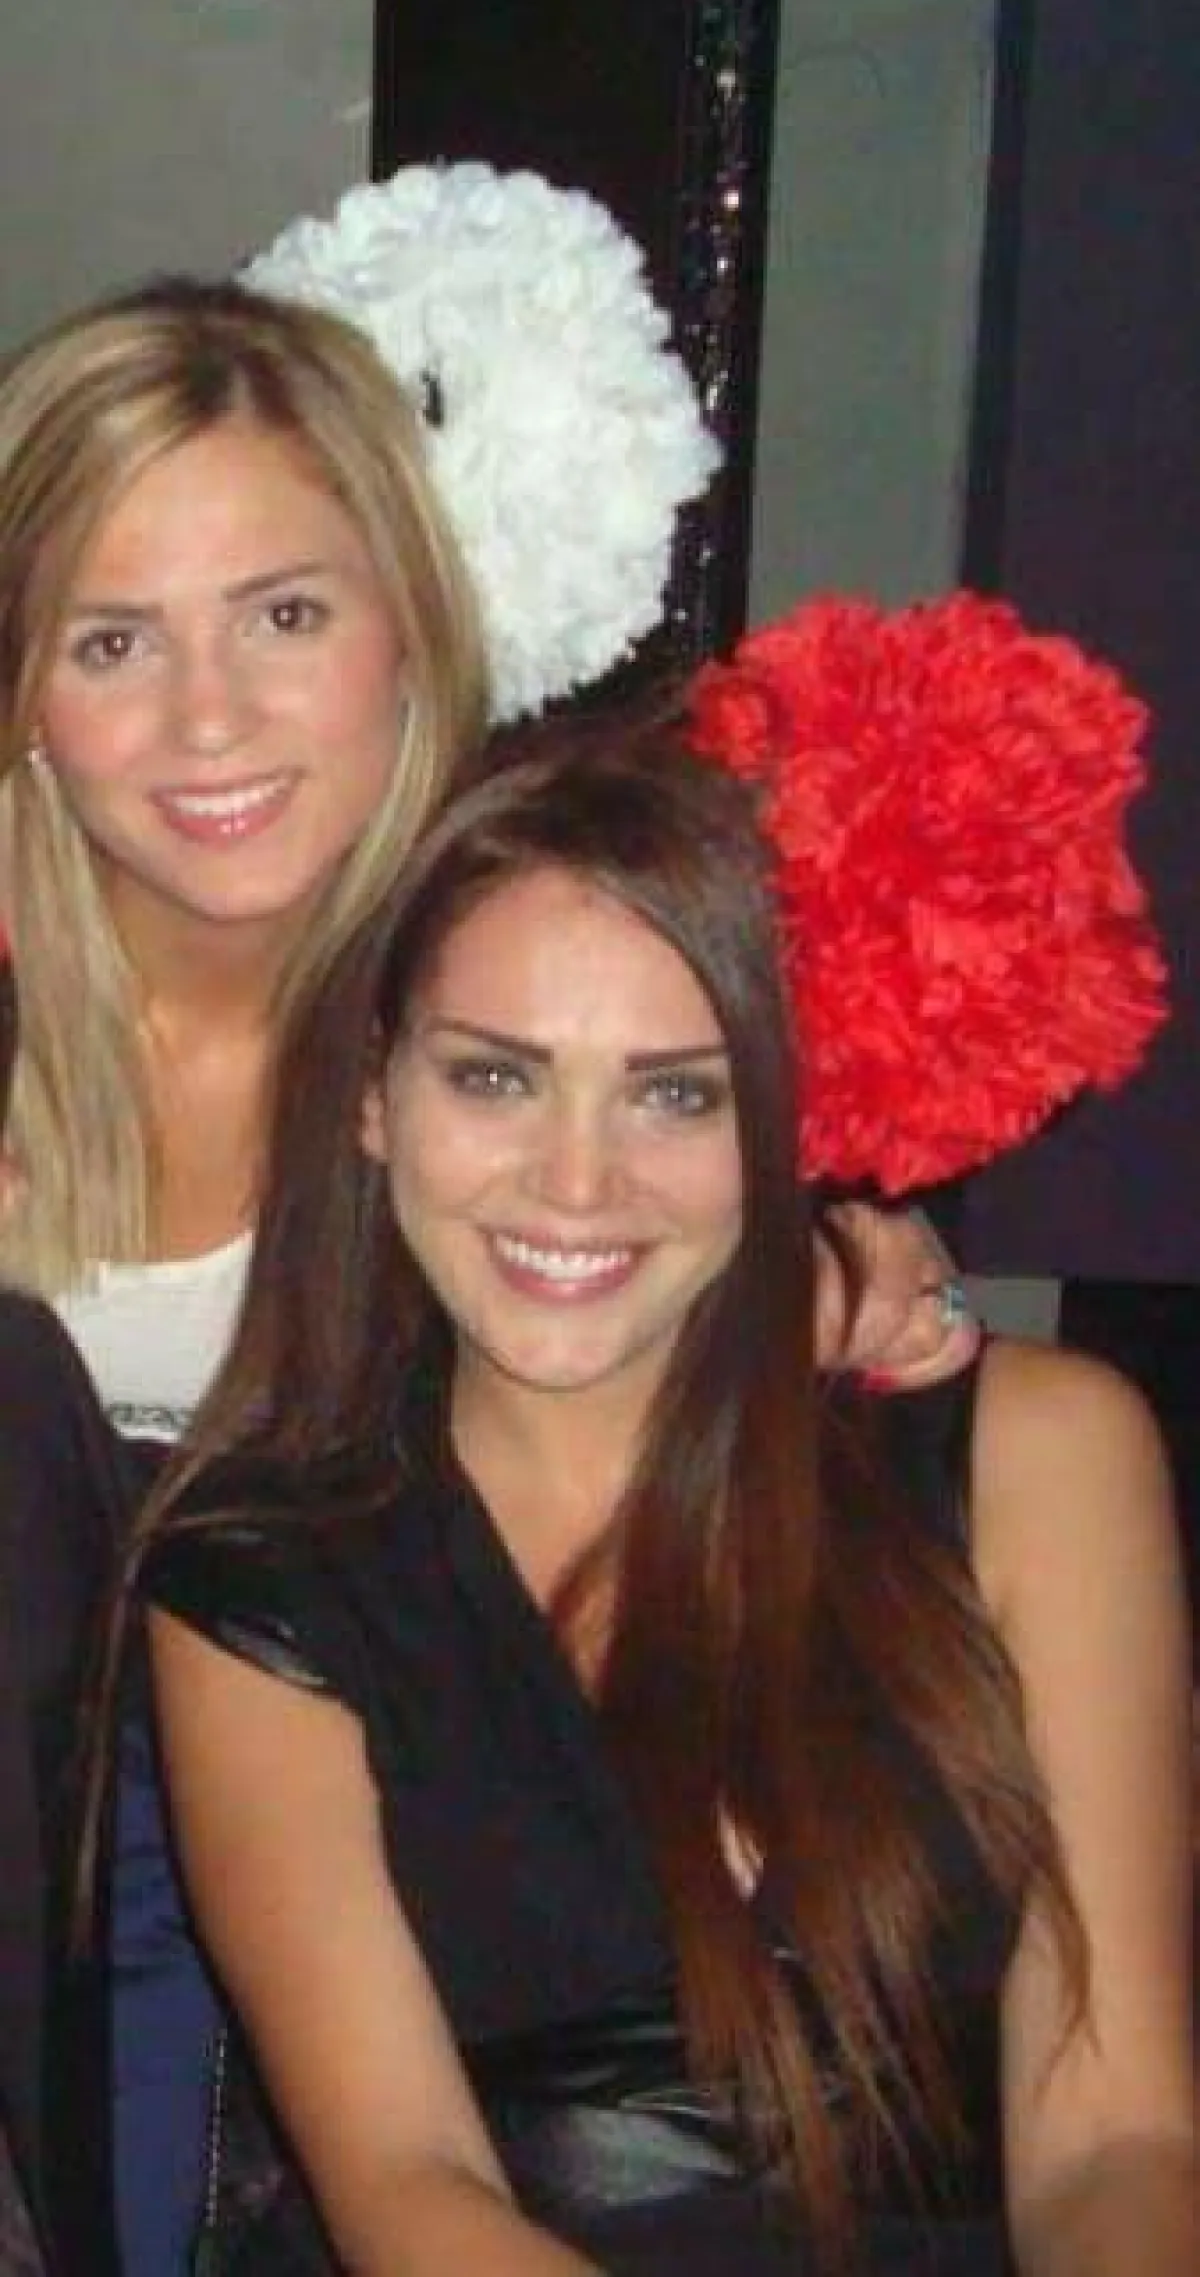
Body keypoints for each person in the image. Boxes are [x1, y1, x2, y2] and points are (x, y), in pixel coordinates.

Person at [0, 274, 968, 2276]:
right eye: (112, 639)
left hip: (450, 2019)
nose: (209, 717)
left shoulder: (552, 992)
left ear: (413, 622)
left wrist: (824, 1273)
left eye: (286, 614)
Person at [132, 709, 1195, 2276]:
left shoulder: (1040, 1458)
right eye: (495, 1078)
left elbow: (1116, 2130)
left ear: (784, 1117)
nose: (579, 1181)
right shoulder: (261, 1577)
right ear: (371, 1095)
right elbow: (412, 2190)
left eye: (676, 1095)